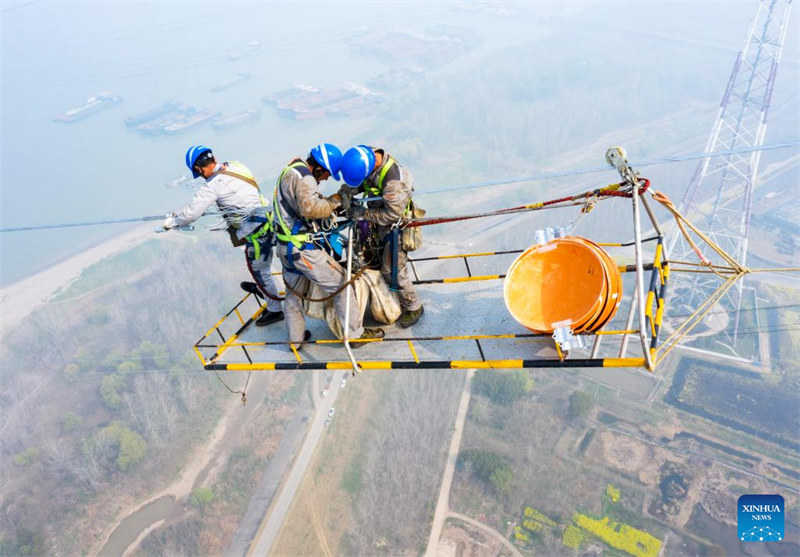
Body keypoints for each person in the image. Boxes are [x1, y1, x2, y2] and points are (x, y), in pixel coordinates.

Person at [272, 143, 385, 347]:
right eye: (325, 174)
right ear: (319, 167)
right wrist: (336, 202)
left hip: (285, 248)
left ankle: (295, 341)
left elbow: (301, 205)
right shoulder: (306, 179)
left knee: (292, 296)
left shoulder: (291, 170)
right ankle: (355, 335)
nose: (325, 179)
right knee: (342, 284)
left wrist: (327, 201)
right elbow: (311, 209)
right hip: (303, 251)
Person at [163, 145, 283, 326]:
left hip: (255, 234)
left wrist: (171, 222)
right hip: (270, 219)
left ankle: (275, 308)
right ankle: (270, 291)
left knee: (259, 270)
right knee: (281, 258)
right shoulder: (237, 166)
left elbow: (191, 214)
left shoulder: (211, 186)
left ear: (198, 168)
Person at [339, 145, 424, 328]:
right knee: (377, 261)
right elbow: (360, 181)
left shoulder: (394, 183)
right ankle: (394, 299)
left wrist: (362, 214)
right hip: (382, 226)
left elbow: (392, 214)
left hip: (397, 228)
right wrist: (347, 191)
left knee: (392, 270)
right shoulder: (369, 155)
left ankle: (414, 305)